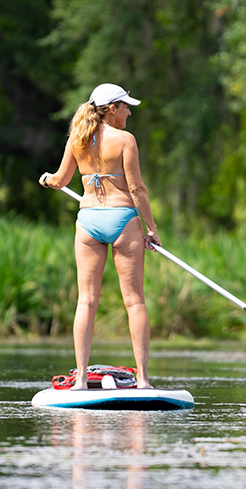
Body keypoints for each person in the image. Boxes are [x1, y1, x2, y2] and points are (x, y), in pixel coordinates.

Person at [39, 83, 160, 390]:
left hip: (89, 220)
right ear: (111, 109)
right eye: (125, 106)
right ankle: (143, 380)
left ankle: (80, 379)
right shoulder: (125, 140)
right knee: (134, 302)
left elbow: (60, 179)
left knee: (86, 301)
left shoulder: (77, 138)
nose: (129, 112)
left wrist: (47, 180)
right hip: (122, 220)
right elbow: (136, 189)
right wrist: (151, 229)